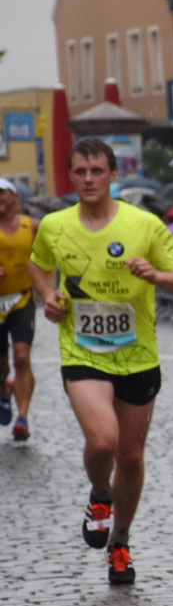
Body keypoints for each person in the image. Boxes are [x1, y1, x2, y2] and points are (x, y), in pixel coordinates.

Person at [27, 139, 173, 585]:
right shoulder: (53, 225)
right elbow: (39, 265)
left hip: (138, 354)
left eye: (97, 171)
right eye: (80, 171)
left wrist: (156, 275)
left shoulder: (143, 224)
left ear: (112, 175)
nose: (88, 179)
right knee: (103, 442)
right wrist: (49, 297)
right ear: (70, 175)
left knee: (131, 455)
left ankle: (119, 543)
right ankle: (99, 495)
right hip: (82, 352)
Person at [0, 178, 39, 440]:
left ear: (14, 197)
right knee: (1, 365)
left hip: (22, 299)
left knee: (22, 356)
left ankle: (23, 418)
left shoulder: (32, 226)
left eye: (2, 194)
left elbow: (45, 259)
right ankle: (4, 390)